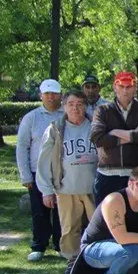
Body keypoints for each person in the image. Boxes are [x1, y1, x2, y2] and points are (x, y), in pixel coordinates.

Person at [36, 90, 98, 265]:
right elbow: (44, 161)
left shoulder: (95, 125)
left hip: (93, 187)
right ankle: (72, 260)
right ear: (64, 107)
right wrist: (46, 190)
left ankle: (96, 259)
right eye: (71, 104)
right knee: (69, 228)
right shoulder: (55, 128)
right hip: (66, 188)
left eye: (79, 104)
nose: (75, 108)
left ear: (85, 106)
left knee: (98, 226)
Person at [90, 71, 138, 209]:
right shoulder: (103, 110)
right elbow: (97, 138)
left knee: (135, 217)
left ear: (135, 88)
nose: (125, 90)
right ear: (115, 87)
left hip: (136, 174)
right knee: (106, 219)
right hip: (107, 173)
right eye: (121, 86)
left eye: (129, 86)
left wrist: (114, 133)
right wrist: (134, 135)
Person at [17, 79, 64, 261]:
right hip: (37, 172)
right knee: (39, 210)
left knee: (62, 210)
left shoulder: (66, 114)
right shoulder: (32, 117)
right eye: (47, 94)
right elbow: (22, 147)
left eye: (54, 94)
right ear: (41, 96)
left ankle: (61, 244)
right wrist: (25, 175)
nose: (51, 97)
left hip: (62, 171)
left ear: (60, 95)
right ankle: (39, 245)